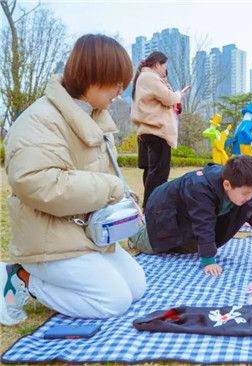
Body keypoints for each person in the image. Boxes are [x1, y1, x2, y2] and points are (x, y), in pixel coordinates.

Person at [0, 34, 146, 326]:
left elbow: (108, 177)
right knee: (113, 300)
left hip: (88, 233)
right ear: (93, 74)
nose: (120, 90)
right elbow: (39, 183)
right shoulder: (40, 119)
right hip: (48, 236)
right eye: (116, 81)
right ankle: (20, 276)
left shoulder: (95, 118)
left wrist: (127, 202)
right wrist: (112, 189)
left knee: (136, 288)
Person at [130, 155, 252, 276]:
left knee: (186, 245)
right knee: (153, 246)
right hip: (163, 212)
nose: (250, 196)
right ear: (227, 185)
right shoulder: (200, 188)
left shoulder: (238, 187)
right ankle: (133, 229)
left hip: (184, 219)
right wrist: (208, 261)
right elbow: (203, 223)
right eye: (246, 193)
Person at [131, 51, 190, 208]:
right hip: (157, 131)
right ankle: (152, 207)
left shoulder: (144, 78)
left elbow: (165, 101)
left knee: (151, 172)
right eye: (164, 66)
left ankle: (150, 207)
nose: (165, 70)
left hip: (147, 130)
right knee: (159, 173)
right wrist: (179, 95)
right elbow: (169, 97)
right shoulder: (150, 77)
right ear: (157, 64)